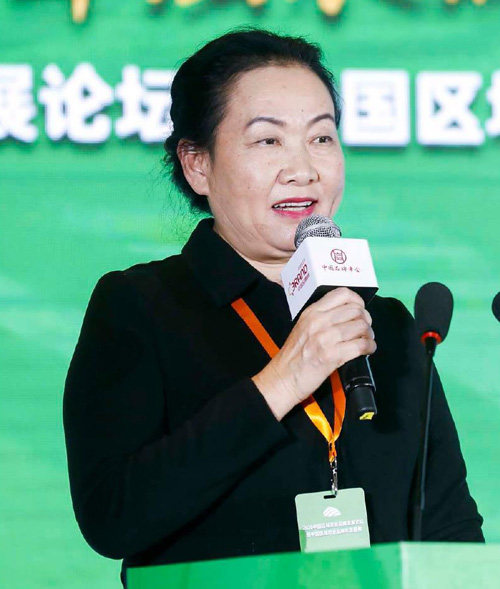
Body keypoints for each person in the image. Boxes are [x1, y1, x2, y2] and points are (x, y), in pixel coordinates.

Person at [63, 29, 484, 587]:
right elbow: (113, 517)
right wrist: (283, 380)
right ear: (197, 164)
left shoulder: (385, 324)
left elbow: (451, 526)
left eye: (322, 138)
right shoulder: (141, 306)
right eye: (268, 140)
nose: (303, 168)